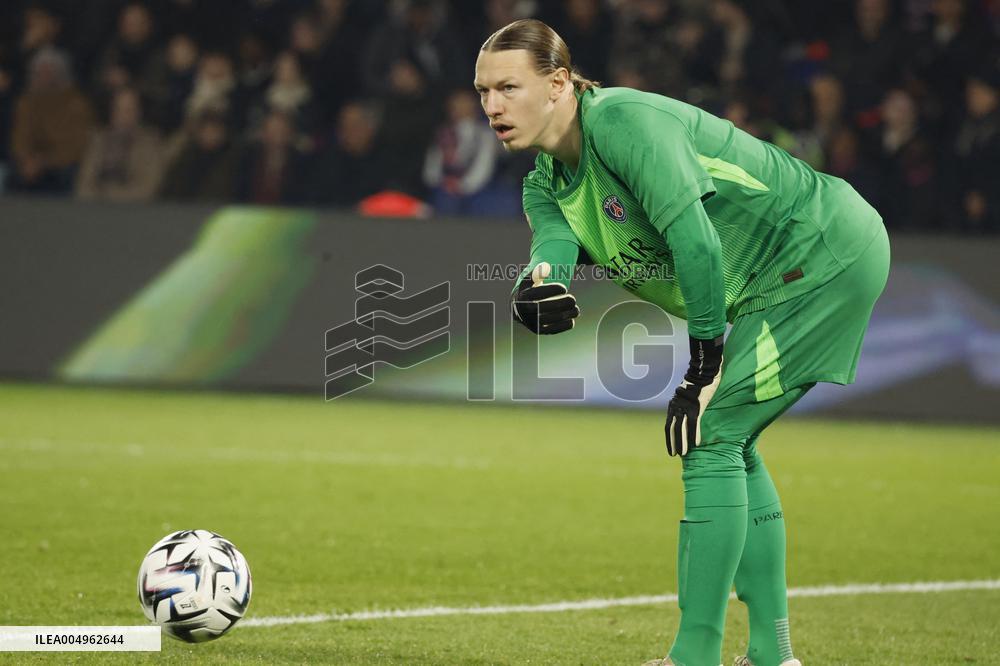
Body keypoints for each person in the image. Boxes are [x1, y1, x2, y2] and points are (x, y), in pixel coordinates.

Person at [475, 19, 890, 666]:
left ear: (558, 84)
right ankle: (771, 655)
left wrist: (703, 363)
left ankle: (695, 657)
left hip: (820, 252)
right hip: (778, 280)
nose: (492, 106)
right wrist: (536, 286)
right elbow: (552, 247)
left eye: (508, 86)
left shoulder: (622, 124)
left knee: (712, 437)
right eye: (483, 92)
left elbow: (696, 242)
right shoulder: (543, 182)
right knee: (732, 443)